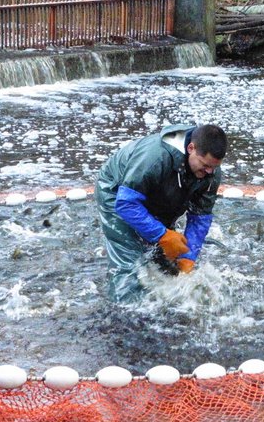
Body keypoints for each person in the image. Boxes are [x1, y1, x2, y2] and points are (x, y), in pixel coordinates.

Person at [94, 124, 227, 301]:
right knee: (131, 262)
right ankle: (123, 313)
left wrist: (189, 257)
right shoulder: (155, 157)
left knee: (164, 259)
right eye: (205, 165)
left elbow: (200, 217)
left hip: (160, 193)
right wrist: (161, 234)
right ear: (191, 148)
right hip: (116, 191)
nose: (210, 172)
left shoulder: (211, 173)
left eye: (214, 167)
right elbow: (125, 204)